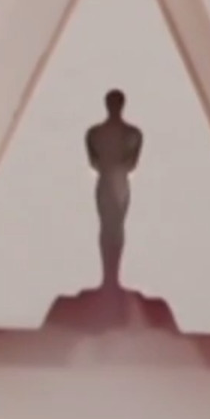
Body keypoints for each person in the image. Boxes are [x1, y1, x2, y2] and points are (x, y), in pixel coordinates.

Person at [85, 89, 142, 290]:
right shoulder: (131, 134)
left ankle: (112, 277)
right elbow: (131, 164)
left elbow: (94, 162)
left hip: (110, 180)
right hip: (117, 181)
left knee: (111, 226)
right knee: (113, 226)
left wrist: (109, 165)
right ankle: (110, 277)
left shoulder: (96, 133)